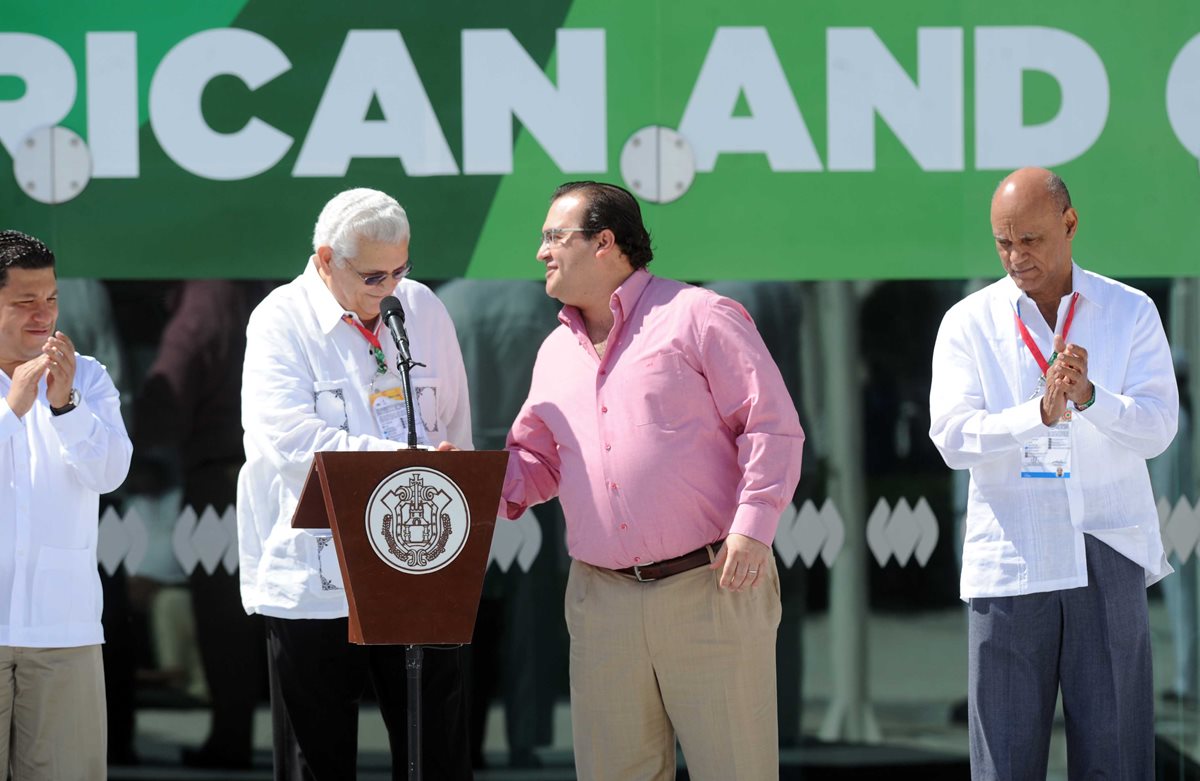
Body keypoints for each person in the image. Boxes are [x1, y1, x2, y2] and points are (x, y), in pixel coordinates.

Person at [482, 181, 806, 779]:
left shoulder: (698, 315)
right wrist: (458, 482)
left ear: (605, 242)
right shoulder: (554, 350)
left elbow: (771, 428)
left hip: (712, 585)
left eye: (555, 237)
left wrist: (753, 530)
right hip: (601, 602)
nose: (541, 252)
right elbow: (537, 464)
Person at [929, 167, 1178, 779]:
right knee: (1004, 764)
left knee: (1117, 760)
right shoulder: (969, 321)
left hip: (1107, 547)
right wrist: (1034, 415)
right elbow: (952, 437)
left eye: (1031, 240)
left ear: (1069, 225)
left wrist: (1091, 398)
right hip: (1011, 555)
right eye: (1003, 243)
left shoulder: (1129, 310)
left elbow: (1159, 428)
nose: (1016, 257)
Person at [237, 189, 474, 780]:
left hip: (416, 568)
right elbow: (291, 441)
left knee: (436, 759)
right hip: (315, 578)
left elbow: (455, 424)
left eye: (401, 269)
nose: (389, 287)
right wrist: (404, 464)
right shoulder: (279, 319)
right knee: (317, 764)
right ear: (325, 260)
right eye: (373, 275)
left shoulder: (423, 310)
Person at [0, 230, 133, 779]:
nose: (43, 315)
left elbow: (110, 473)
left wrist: (66, 406)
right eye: (24, 302)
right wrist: (12, 410)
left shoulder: (90, 376)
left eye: (50, 298)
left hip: (64, 629)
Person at [136, 280, 274, 769]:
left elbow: (166, 398)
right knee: (291, 616)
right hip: (287, 477)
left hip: (222, 479)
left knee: (224, 617)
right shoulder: (273, 288)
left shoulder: (205, 299)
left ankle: (230, 737)